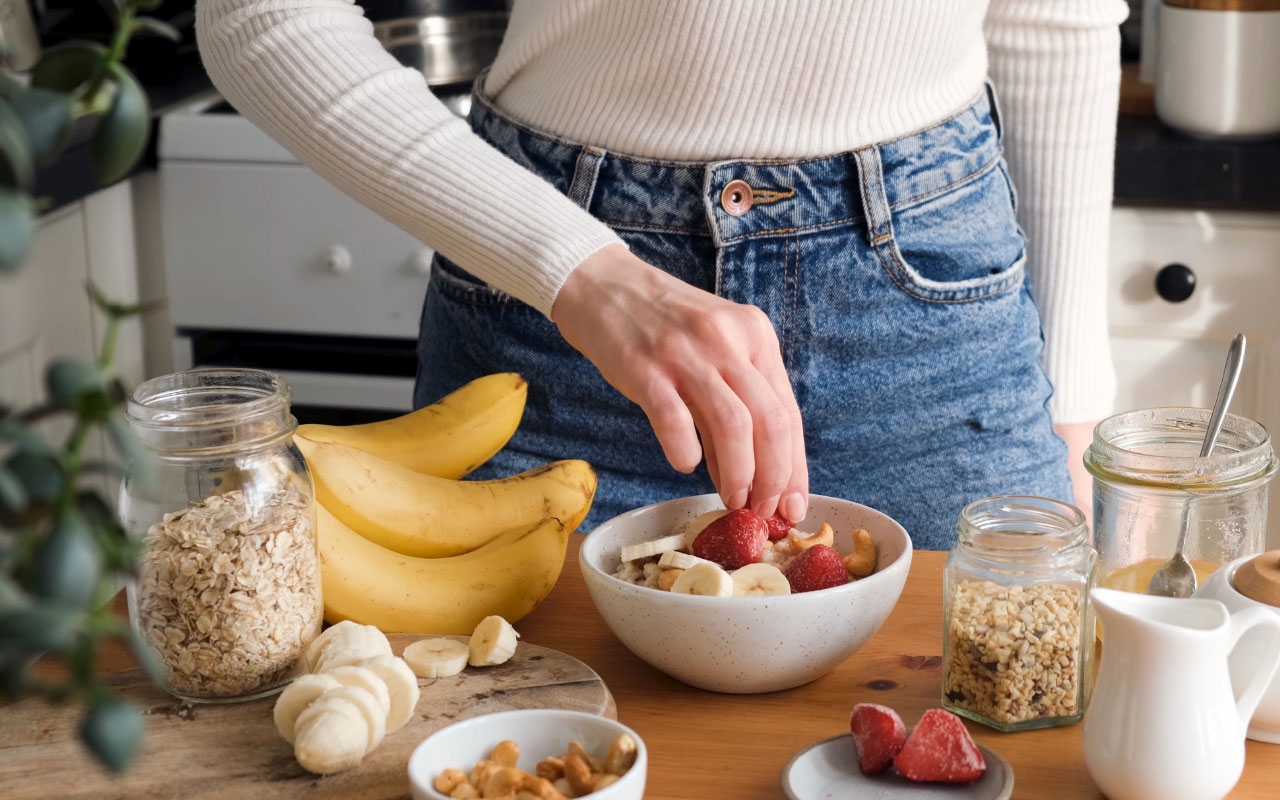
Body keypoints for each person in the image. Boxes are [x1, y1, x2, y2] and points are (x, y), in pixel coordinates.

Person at [198, 0, 1126, 549]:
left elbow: (1057, 14)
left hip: (938, 331)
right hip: (562, 322)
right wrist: (590, 277)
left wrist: (1073, 400)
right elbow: (259, 15)